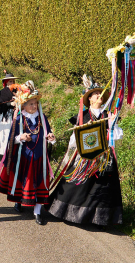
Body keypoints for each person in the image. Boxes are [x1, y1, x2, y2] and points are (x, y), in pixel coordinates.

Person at [48, 75, 124, 226]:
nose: (98, 95)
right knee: (76, 185)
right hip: (83, 158)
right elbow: (73, 141)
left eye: (100, 93)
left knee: (103, 188)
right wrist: (84, 131)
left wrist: (112, 124)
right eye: (95, 94)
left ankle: (101, 220)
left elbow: (118, 136)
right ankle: (67, 213)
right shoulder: (82, 116)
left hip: (104, 159)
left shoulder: (108, 116)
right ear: (89, 99)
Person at [0, 81, 56, 225]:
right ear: (23, 105)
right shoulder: (19, 118)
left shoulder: (42, 118)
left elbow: (48, 132)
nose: (34, 106)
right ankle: (18, 201)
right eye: (30, 104)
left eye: (35, 103)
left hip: (39, 157)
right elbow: (12, 138)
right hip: (23, 157)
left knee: (38, 182)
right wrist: (20, 137)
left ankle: (37, 212)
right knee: (22, 180)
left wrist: (51, 138)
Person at [0, 72, 17, 155]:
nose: (12, 83)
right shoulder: (3, 92)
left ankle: (13, 152)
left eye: (13, 81)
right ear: (6, 82)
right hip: (6, 116)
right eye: (10, 81)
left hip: (16, 115)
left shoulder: (17, 91)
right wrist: (9, 104)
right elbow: (0, 105)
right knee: (6, 133)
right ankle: (5, 153)